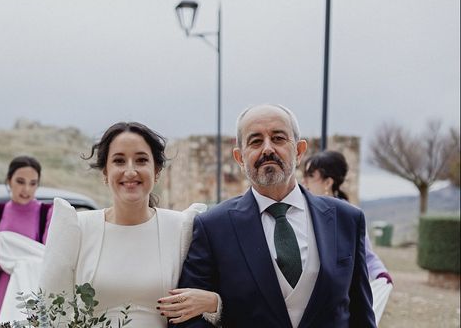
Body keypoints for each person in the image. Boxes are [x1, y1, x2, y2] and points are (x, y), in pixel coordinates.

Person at [178, 103, 376, 328]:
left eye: (279, 138)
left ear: (300, 151)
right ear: (239, 157)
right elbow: (186, 317)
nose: (267, 149)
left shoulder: (347, 220)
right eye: (255, 141)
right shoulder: (213, 227)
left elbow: (361, 313)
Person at [39, 121, 220, 327]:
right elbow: (51, 309)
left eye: (141, 160)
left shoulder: (182, 228)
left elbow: (212, 303)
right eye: (119, 161)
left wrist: (214, 302)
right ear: (105, 172)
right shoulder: (76, 228)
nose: (131, 171)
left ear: (157, 170)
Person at [302, 150, 393, 324]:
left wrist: (382, 275)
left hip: (334, 299)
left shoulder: (347, 216)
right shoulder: (299, 211)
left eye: (310, 176)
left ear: (328, 182)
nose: (304, 182)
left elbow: (365, 253)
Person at [0, 155, 53, 318]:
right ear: (9, 181)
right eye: (20, 181)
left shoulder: (47, 213)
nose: (27, 190)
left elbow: (49, 259)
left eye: (33, 183)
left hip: (32, 294)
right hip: (0, 296)